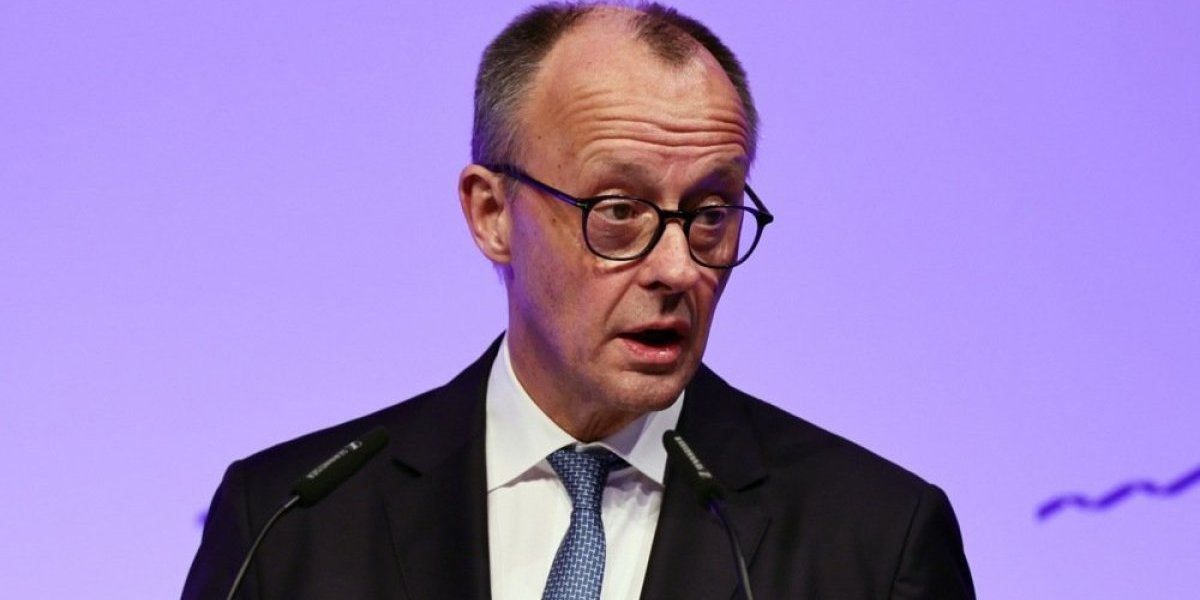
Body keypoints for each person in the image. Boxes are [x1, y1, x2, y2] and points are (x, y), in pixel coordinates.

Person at [182, 3, 975, 599]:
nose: (679, 268)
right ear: (492, 214)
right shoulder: (292, 522)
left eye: (711, 215)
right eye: (619, 211)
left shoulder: (875, 543)